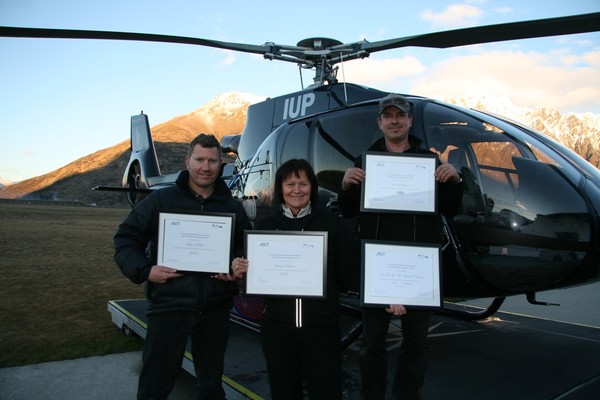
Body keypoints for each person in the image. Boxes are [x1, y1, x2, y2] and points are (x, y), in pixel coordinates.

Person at [338, 93, 463, 400]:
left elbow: (448, 209)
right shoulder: (365, 161)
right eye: (388, 116)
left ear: (409, 120)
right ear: (380, 123)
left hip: (418, 266)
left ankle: (407, 395)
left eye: (400, 115)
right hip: (379, 265)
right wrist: (346, 186)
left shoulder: (429, 160)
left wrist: (455, 180)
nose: (394, 121)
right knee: (372, 344)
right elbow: (348, 211)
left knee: (417, 343)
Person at [114, 133, 251, 400]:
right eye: (200, 159)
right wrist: (145, 271)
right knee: (155, 383)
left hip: (215, 308)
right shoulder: (161, 200)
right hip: (169, 305)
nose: (206, 167)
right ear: (187, 161)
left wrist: (235, 267)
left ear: (220, 164)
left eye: (212, 161)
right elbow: (126, 238)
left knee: (211, 385)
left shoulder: (232, 207)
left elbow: (243, 250)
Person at [231, 158, 360, 400]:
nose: (297, 190)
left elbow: (349, 271)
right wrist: (240, 268)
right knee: (284, 391)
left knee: (326, 391)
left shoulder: (332, 224)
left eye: (303, 183)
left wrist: (380, 289)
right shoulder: (266, 226)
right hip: (278, 329)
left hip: (321, 327)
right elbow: (254, 271)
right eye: (290, 184)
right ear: (280, 188)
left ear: (312, 186)